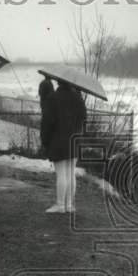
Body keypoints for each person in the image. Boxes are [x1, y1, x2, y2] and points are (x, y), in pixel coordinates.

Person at [40, 80, 87, 214]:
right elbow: (84, 118)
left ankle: (60, 205)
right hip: (75, 140)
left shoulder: (53, 98)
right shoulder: (78, 98)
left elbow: (47, 122)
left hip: (58, 141)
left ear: (58, 82)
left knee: (61, 174)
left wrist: (45, 141)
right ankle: (69, 205)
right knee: (71, 173)